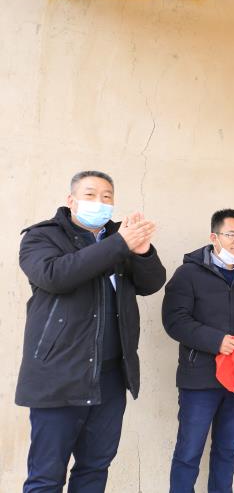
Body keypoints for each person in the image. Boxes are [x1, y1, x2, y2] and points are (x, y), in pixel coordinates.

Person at [16, 170, 166, 492]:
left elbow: (151, 284)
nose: (100, 202)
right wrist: (120, 244)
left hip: (110, 376)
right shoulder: (42, 237)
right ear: (71, 201)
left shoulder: (120, 238)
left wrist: (142, 252)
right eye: (90, 194)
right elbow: (55, 276)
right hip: (59, 374)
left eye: (107, 196)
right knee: (46, 476)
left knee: (95, 468)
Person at [162, 208, 234, 493]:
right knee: (189, 452)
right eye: (231, 234)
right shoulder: (188, 274)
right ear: (214, 237)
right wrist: (216, 341)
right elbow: (175, 321)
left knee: (227, 448)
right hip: (200, 378)